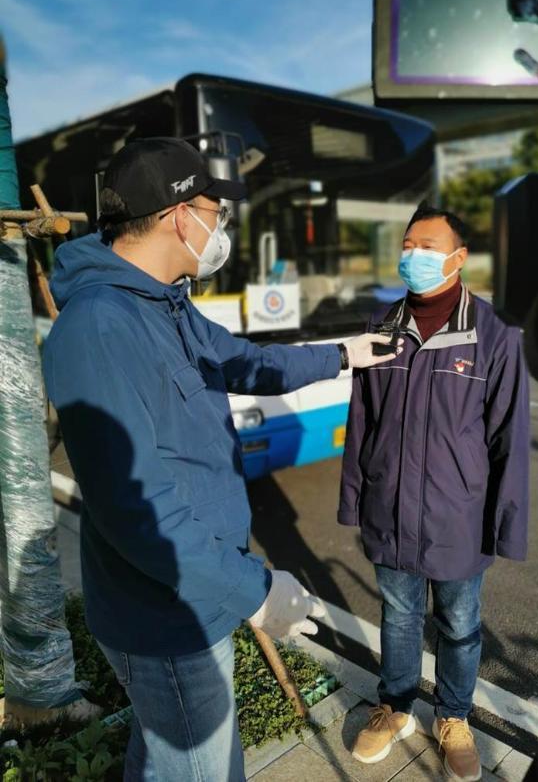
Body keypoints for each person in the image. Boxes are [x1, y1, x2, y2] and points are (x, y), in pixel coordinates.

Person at [43, 137, 402, 782]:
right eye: (217, 211)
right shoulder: (99, 328)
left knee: (165, 756)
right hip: (166, 619)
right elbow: (138, 514)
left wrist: (341, 355)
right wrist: (254, 593)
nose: (222, 227)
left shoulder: (163, 303)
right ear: (180, 216)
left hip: (196, 593)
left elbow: (246, 362)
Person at [339, 203, 530, 782]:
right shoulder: (382, 326)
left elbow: (509, 438)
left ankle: (453, 717)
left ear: (459, 257)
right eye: (408, 245)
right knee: (398, 615)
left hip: (458, 516)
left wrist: (504, 525)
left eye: (428, 246)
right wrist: (355, 499)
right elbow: (362, 422)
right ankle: (396, 706)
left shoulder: (494, 334)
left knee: (459, 623)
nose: (414, 255)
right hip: (389, 508)